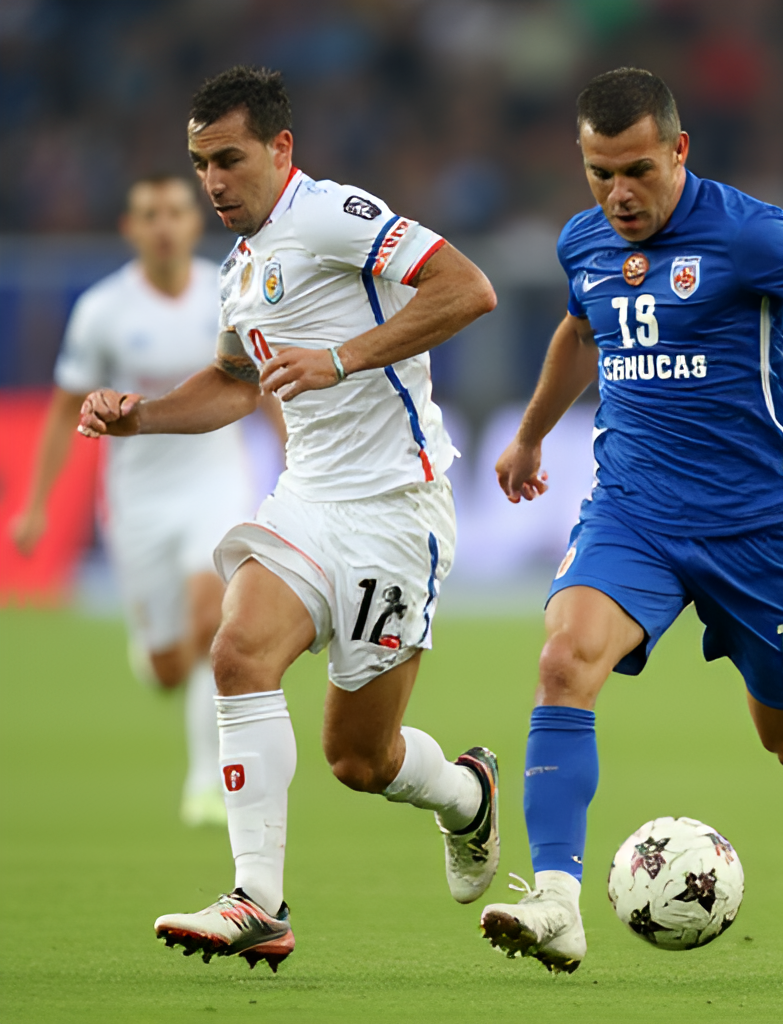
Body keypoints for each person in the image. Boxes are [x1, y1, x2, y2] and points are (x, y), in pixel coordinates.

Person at [483, 67, 783, 974]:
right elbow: (579, 331)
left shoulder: (750, 232)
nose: (618, 194)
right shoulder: (583, 241)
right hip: (633, 510)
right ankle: (555, 899)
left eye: (637, 170)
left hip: (755, 531)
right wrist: (528, 439)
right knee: (562, 661)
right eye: (599, 173)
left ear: (679, 151)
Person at [76, 65, 500, 972]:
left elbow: (468, 290)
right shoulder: (242, 265)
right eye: (199, 166)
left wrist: (341, 358)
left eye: (228, 160)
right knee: (236, 652)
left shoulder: (333, 215)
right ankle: (258, 902)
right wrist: (139, 415)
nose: (213, 183)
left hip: (396, 507)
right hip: (308, 501)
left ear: (280, 149)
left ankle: (468, 796)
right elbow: (233, 385)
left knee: (361, 757)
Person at [10, 174, 262, 827]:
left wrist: (299, 457)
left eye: (175, 211)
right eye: (150, 214)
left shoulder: (227, 288)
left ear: (192, 221)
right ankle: (154, 650)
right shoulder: (103, 310)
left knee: (216, 624)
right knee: (169, 667)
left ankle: (206, 783)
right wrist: (36, 505)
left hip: (215, 483)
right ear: (131, 228)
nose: (164, 225)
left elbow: (265, 386)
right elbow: (67, 407)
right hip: (140, 500)